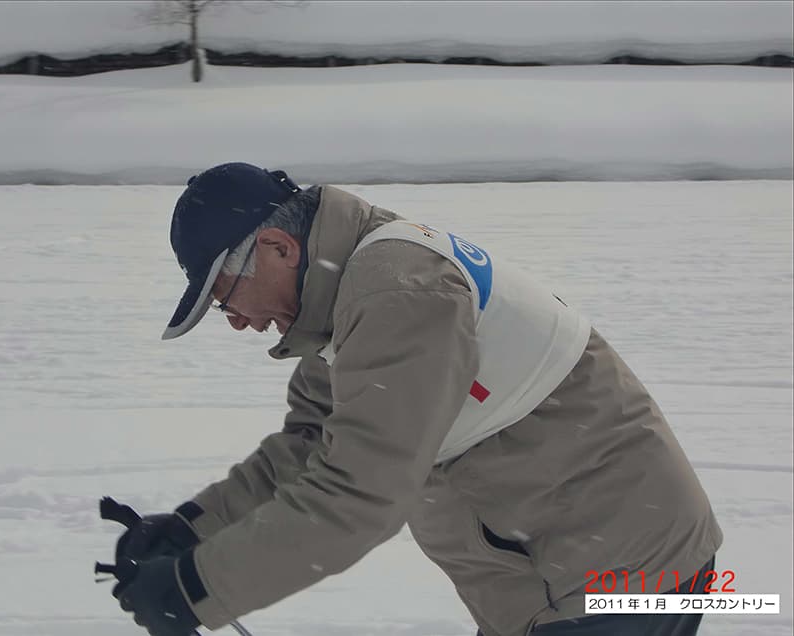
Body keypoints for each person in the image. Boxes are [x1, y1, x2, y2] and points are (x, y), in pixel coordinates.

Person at [106, 162, 723, 636]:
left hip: (620, 576)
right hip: (557, 576)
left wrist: (194, 588)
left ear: (277, 247)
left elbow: (357, 497)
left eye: (224, 294)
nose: (235, 319)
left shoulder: (396, 293)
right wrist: (193, 528)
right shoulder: (345, 295)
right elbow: (311, 443)